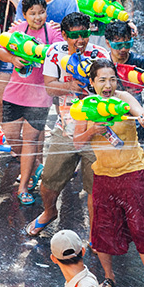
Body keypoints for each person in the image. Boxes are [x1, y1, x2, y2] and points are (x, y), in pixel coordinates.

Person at [73, 59, 144, 287]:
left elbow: (140, 113)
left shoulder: (123, 98)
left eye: (112, 79)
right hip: (103, 174)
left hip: (134, 173)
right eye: (102, 80)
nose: (108, 84)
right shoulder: (85, 107)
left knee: (139, 227)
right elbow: (77, 143)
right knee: (102, 229)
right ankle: (109, 277)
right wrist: (92, 131)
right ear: (92, 83)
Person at [26, 12, 108, 236]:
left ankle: (94, 233)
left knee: (94, 189)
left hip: (96, 133)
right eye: (75, 36)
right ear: (64, 35)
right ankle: (49, 212)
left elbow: (110, 90)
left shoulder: (100, 55)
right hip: (66, 129)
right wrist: (73, 84)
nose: (81, 40)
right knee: (49, 182)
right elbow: (50, 88)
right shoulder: (55, 53)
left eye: (84, 34)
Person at [0, 0, 63, 205]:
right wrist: (13, 58)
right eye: (32, 13)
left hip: (40, 97)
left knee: (30, 140)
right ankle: (34, 166)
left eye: (41, 12)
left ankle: (23, 187)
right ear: (24, 15)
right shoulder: (18, 29)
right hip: (15, 92)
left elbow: (61, 54)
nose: (37, 17)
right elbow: (0, 49)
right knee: (12, 137)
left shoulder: (51, 32)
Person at [105, 20, 144, 144]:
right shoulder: (103, 63)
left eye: (127, 44)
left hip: (135, 118)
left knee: (136, 150)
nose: (123, 49)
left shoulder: (139, 62)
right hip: (109, 117)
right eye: (117, 45)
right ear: (108, 43)